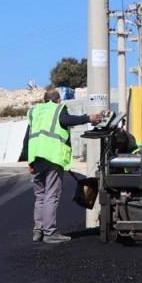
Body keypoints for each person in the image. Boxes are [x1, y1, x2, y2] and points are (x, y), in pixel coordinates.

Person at [18, 87, 102, 243]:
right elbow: (67, 120)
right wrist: (89, 118)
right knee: (51, 195)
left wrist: (28, 160)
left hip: (36, 157)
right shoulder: (58, 109)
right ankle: (50, 233)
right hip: (52, 156)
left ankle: (38, 231)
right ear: (58, 99)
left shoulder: (35, 111)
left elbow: (27, 136)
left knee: (40, 196)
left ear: (44, 100)